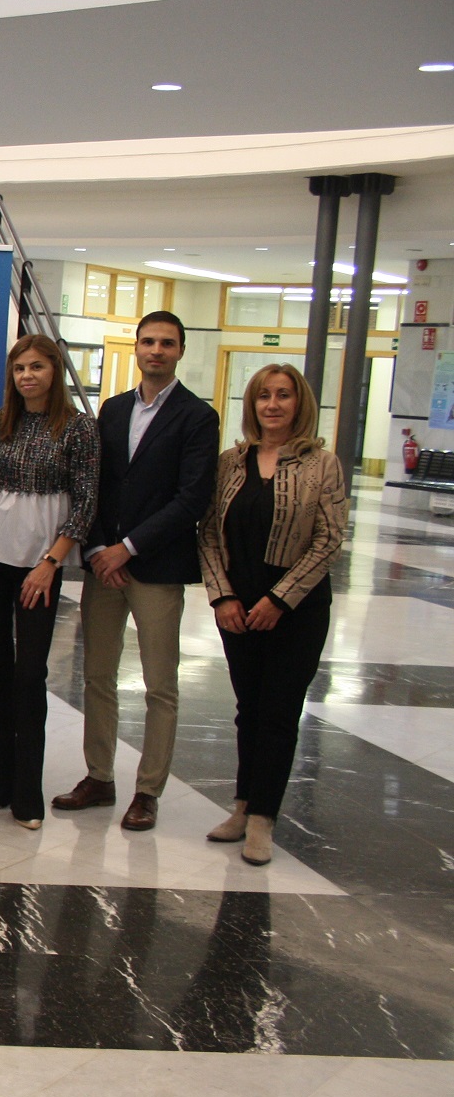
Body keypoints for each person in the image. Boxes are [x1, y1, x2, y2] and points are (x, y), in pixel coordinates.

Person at [59, 310, 219, 831]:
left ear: (180, 351)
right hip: (106, 564)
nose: (156, 350)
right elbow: (96, 484)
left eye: (166, 343)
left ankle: (147, 791)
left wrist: (129, 547)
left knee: (158, 685)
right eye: (148, 341)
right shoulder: (113, 409)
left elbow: (192, 497)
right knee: (97, 676)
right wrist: (103, 545)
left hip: (155, 567)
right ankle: (99, 777)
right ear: (136, 347)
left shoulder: (197, 417)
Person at [199, 365, 345, 866]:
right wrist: (223, 597)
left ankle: (263, 819)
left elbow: (329, 540)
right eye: (264, 396)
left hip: (295, 611)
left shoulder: (321, 464)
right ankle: (241, 806)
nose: (273, 404)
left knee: (279, 714)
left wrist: (279, 599)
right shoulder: (230, 463)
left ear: (299, 403)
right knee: (248, 710)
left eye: (283, 396)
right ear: (252, 404)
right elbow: (210, 534)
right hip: (239, 607)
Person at [0, 335, 100, 829]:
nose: (28, 375)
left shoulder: (80, 428)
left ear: (55, 371)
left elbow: (86, 501)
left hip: (41, 564)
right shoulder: (1, 422)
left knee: (30, 675)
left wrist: (52, 561)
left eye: (38, 367)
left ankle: (27, 794)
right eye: (20, 367)